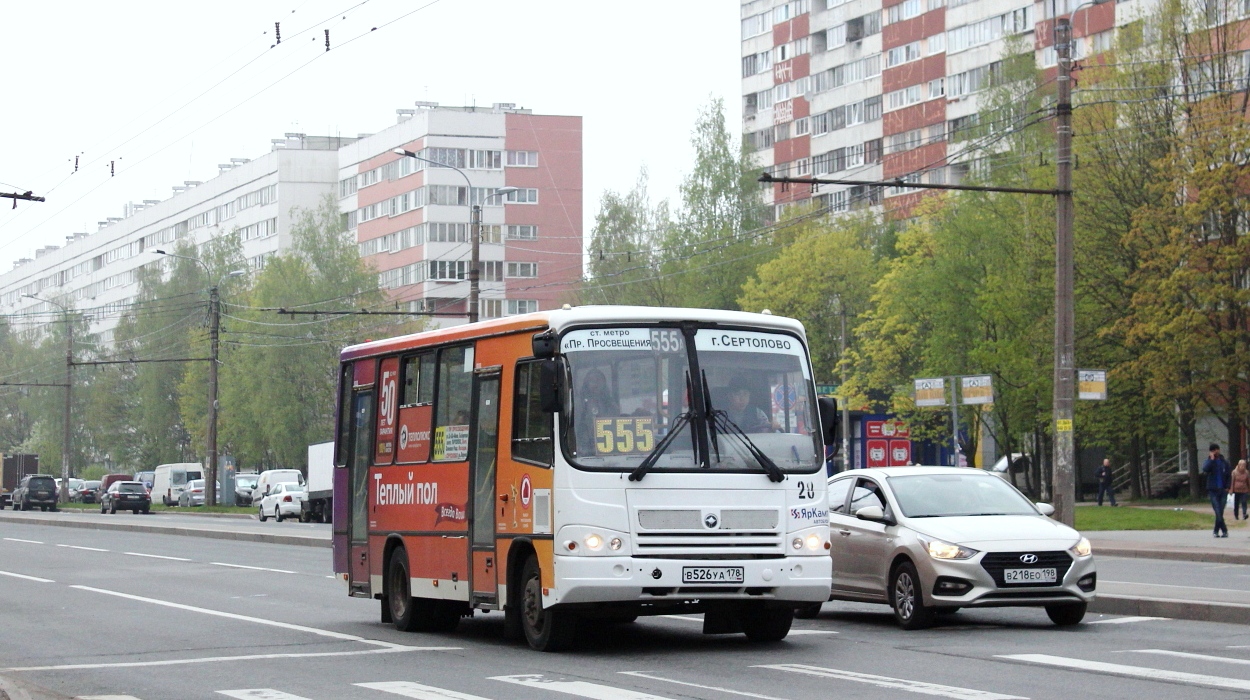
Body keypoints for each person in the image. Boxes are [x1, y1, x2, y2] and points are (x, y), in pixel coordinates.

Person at [1202, 443, 1233, 538]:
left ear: (1219, 450)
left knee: (1221, 511)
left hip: (1223, 490)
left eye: (1216, 449)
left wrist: (1227, 487)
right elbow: (1205, 469)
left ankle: (1216, 531)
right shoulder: (1209, 461)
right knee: (1217, 510)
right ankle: (1224, 530)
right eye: (1213, 450)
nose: (1215, 451)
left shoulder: (1224, 462)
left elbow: (1229, 475)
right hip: (1213, 490)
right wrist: (1211, 460)